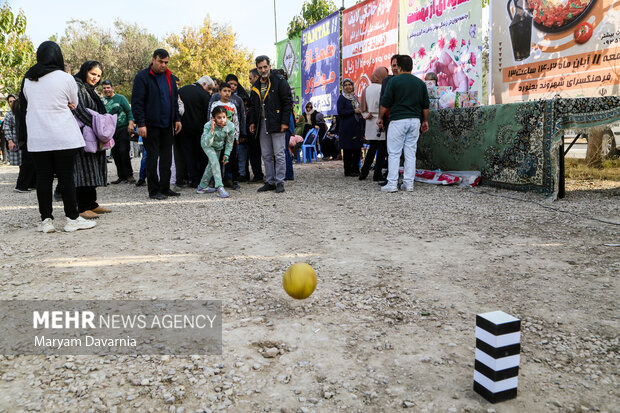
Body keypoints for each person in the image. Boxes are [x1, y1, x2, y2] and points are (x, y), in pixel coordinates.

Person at [20, 41, 96, 232]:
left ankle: (46, 221)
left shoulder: (28, 79)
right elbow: (74, 102)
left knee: (43, 179)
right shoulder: (65, 78)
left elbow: (29, 102)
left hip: (38, 137)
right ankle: (72, 218)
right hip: (63, 135)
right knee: (66, 177)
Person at [131, 48, 182, 200]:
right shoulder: (142, 77)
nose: (163, 65)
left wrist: (177, 118)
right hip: (150, 125)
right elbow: (137, 102)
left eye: (166, 62)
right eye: (160, 61)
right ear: (153, 59)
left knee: (166, 158)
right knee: (152, 158)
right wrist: (141, 123)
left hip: (168, 124)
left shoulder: (170, 77)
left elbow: (174, 101)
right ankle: (153, 190)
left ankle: (165, 188)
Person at [378, 55, 430, 193]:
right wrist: (425, 121)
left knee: (394, 153)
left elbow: (385, 102)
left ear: (399, 67)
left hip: (398, 121)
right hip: (415, 121)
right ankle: (408, 184)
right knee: (410, 153)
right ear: (411, 67)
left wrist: (380, 117)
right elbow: (425, 106)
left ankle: (392, 184)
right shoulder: (420, 83)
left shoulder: (394, 82)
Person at [73, 60, 111, 219]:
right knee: (83, 171)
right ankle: (82, 207)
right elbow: (79, 110)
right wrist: (99, 125)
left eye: (98, 76)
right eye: (92, 74)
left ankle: (92, 203)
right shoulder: (77, 86)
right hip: (81, 135)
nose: (95, 78)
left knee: (93, 168)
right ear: (84, 71)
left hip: (93, 135)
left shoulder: (90, 89)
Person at [248, 55, 292, 193]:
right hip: (262, 123)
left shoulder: (279, 81)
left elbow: (287, 102)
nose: (263, 70)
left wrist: (285, 122)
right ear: (257, 68)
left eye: (265, 67)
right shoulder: (255, 85)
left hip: (277, 123)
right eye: (260, 68)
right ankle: (270, 181)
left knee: (279, 154)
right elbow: (253, 107)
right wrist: (252, 122)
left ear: (270, 66)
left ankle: (280, 182)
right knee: (266, 154)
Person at [177, 75, 214, 187]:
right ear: (204, 84)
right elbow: (207, 113)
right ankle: (201, 179)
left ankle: (191, 178)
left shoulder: (181, 90)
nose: (210, 91)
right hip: (200, 129)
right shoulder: (204, 94)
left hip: (183, 129)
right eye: (209, 88)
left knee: (187, 154)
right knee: (201, 154)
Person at [209, 80, 244, 189]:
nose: (227, 93)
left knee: (231, 158)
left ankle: (231, 179)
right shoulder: (215, 104)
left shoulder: (232, 106)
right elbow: (210, 119)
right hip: (218, 137)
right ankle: (216, 180)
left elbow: (236, 121)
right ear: (219, 92)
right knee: (217, 158)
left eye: (229, 91)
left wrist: (237, 136)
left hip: (230, 137)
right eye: (225, 91)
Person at [101, 80, 136, 184]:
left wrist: (131, 124)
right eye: (104, 88)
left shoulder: (121, 98)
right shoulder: (102, 101)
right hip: (111, 132)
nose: (106, 90)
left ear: (112, 88)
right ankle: (121, 176)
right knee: (115, 153)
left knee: (124, 151)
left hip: (123, 128)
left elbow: (129, 111)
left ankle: (129, 175)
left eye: (108, 87)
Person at [196, 106, 234, 198]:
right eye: (219, 117)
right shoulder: (208, 126)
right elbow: (207, 142)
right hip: (207, 144)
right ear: (213, 118)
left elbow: (229, 142)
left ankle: (202, 187)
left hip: (218, 146)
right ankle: (220, 187)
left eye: (224, 117)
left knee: (211, 165)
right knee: (215, 163)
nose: (222, 120)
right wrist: (212, 130)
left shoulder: (230, 126)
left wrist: (226, 154)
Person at [360, 66, 389, 181]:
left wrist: (366, 115)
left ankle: (364, 172)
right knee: (381, 149)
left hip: (370, 119)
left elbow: (362, 107)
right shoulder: (383, 88)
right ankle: (377, 174)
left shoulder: (366, 88)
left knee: (372, 148)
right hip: (380, 119)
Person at [3, 97, 36, 192]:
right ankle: (22, 185)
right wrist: (10, 141)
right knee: (25, 163)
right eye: (10, 101)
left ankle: (30, 183)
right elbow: (7, 128)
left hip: (25, 141)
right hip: (19, 141)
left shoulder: (24, 114)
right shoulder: (10, 115)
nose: (12, 103)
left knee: (29, 163)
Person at [337, 78, 363, 176]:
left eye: (350, 84)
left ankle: (356, 169)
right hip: (347, 127)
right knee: (348, 149)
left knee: (356, 149)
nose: (348, 87)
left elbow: (359, 109)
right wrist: (353, 111)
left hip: (356, 126)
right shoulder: (342, 98)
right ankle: (348, 171)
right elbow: (341, 112)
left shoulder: (355, 98)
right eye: (346, 85)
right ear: (343, 87)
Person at [246, 68, 263, 182]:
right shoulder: (255, 89)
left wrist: (252, 122)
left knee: (256, 152)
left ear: (256, 77)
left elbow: (253, 108)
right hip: (257, 124)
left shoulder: (256, 89)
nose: (249, 81)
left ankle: (259, 175)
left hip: (259, 125)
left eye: (250, 78)